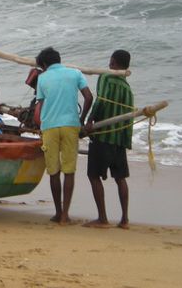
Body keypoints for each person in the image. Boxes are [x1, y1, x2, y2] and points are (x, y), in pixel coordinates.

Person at [36, 47, 93, 225]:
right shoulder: (75, 73)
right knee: (69, 170)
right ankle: (65, 215)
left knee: (54, 171)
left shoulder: (42, 77)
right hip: (70, 125)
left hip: (50, 127)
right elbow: (89, 97)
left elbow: (40, 104)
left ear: (44, 64)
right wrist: (81, 119)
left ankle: (57, 211)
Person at [83, 50, 134, 229]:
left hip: (103, 136)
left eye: (110, 61)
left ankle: (102, 218)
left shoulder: (106, 77)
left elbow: (101, 100)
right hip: (119, 139)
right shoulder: (127, 88)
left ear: (113, 62)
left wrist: (89, 120)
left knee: (93, 175)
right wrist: (126, 140)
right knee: (120, 178)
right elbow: (129, 116)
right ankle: (125, 219)